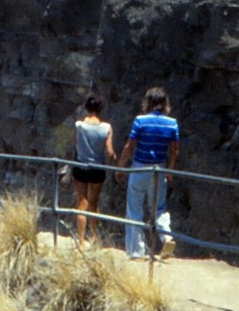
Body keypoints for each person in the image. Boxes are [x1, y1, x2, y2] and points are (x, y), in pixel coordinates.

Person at [120, 86, 180, 261]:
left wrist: (121, 166)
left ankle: (137, 251)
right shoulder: (172, 123)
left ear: (148, 102)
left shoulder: (140, 121)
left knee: (134, 208)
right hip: (160, 168)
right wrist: (170, 170)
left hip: (140, 167)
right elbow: (174, 150)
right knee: (159, 208)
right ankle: (167, 238)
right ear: (165, 104)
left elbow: (129, 146)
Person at [73, 93, 115, 247]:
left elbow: (76, 143)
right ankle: (94, 237)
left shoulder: (79, 126)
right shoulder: (106, 128)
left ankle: (81, 241)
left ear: (86, 108)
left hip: (81, 166)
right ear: (101, 109)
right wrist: (114, 158)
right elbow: (109, 152)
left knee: (81, 203)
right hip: (98, 168)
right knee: (93, 203)